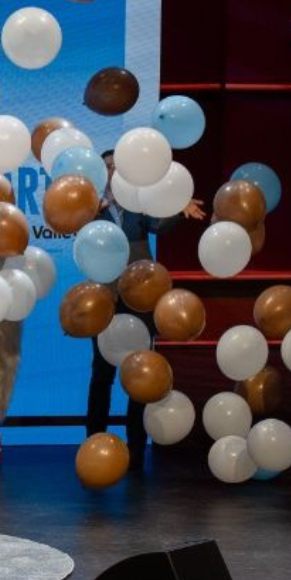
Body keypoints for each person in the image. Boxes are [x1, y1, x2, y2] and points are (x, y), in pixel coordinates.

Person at [86, 149, 205, 466]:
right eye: (107, 166)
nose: (113, 171)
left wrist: (179, 208)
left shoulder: (138, 200)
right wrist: (89, 214)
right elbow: (73, 232)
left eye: (117, 166)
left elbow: (158, 223)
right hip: (104, 299)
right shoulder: (89, 204)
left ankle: (136, 444)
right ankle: (93, 439)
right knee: (102, 373)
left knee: (141, 370)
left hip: (140, 295)